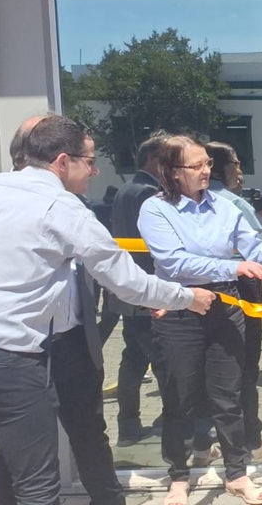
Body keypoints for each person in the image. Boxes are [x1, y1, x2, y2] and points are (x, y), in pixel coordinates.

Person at [0, 115, 215, 505]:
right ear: (61, 161)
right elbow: (127, 282)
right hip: (6, 359)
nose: (94, 170)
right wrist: (188, 298)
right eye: (89, 161)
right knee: (37, 487)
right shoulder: (63, 208)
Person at [137, 134, 262, 505]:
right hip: (179, 311)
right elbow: (175, 262)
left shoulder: (223, 206)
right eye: (196, 165)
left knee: (229, 397)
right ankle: (178, 478)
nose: (206, 170)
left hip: (225, 308)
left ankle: (236, 474)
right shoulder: (155, 209)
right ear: (172, 171)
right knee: (180, 399)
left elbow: (255, 248)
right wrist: (234, 266)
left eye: (207, 163)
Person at [0, 115, 125, 505]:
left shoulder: (75, 203)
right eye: (89, 160)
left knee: (89, 433)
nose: (94, 170)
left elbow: (105, 267)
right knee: (12, 441)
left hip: (75, 343)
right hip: (20, 347)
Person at [205, 141, 262, 464]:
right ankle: (252, 440)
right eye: (236, 164)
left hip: (204, 292)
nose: (240, 171)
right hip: (241, 287)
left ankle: (202, 443)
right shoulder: (232, 204)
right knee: (246, 367)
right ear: (218, 168)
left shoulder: (184, 203)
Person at [111, 130, 169, 446]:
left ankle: (128, 426)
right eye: (168, 160)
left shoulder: (126, 189)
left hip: (130, 291)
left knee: (133, 358)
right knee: (162, 359)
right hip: (148, 291)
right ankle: (174, 423)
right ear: (152, 159)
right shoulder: (148, 193)